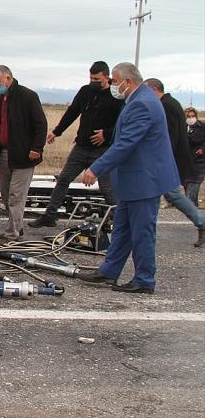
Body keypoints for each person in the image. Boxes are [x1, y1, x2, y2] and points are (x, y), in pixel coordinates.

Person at [78, 63, 179, 293]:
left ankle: (144, 280)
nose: (113, 85)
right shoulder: (137, 99)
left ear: (128, 81)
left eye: (114, 81)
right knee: (122, 228)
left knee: (142, 231)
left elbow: (125, 144)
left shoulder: (142, 103)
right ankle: (109, 271)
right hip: (134, 180)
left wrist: (95, 169)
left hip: (144, 181)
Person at [30, 61, 123, 227]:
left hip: (102, 150)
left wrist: (106, 134)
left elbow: (123, 123)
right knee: (64, 179)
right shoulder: (85, 91)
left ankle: (121, 219)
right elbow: (72, 112)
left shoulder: (116, 96)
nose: (93, 82)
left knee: (107, 188)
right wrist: (57, 132)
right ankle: (50, 216)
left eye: (97, 79)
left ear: (107, 78)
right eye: (91, 78)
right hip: (81, 147)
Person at [144, 79, 205, 247]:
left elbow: (171, 136)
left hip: (168, 160)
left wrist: (160, 158)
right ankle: (145, 233)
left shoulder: (167, 106)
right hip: (169, 159)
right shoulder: (170, 103)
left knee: (169, 194)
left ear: (154, 89)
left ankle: (146, 234)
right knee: (167, 194)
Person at [0, 65, 47, 241]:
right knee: (6, 193)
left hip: (24, 155)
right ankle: (17, 227)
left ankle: (13, 233)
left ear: (8, 78)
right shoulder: (1, 98)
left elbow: (41, 124)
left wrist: (36, 148)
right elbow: (0, 126)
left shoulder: (28, 96)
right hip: (5, 153)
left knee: (16, 194)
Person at [185, 107, 205, 207]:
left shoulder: (202, 126)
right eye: (188, 116)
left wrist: (203, 149)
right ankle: (193, 207)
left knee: (193, 186)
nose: (191, 118)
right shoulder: (183, 127)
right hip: (187, 161)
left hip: (199, 161)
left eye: (193, 116)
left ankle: (191, 208)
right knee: (188, 186)